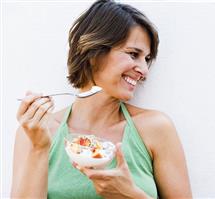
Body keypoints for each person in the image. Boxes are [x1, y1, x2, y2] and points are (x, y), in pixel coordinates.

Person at [11, 0, 192, 198]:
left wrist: (131, 195)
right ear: (93, 52)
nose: (144, 71)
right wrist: (39, 148)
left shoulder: (155, 128)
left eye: (147, 59)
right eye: (133, 54)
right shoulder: (36, 131)